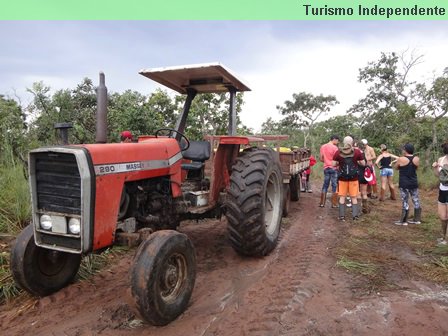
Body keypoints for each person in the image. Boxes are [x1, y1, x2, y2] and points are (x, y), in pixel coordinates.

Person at [332, 136, 365, 221]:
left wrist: (339, 162)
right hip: (354, 178)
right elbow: (363, 163)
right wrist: (356, 161)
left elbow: (333, 164)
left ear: (343, 142)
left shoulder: (338, 152)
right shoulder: (357, 152)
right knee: (354, 197)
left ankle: (342, 216)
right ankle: (355, 216)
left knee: (342, 197)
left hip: (342, 178)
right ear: (352, 142)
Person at [394, 143, 421, 225]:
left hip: (404, 182)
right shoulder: (416, 158)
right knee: (416, 200)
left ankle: (404, 221)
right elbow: (416, 168)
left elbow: (396, 167)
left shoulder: (401, 159)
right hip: (413, 182)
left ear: (405, 150)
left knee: (405, 200)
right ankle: (417, 219)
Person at [432, 142, 448, 245]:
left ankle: (446, 239)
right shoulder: (441, 159)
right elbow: (438, 175)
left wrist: (444, 166)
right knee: (443, 216)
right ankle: (443, 236)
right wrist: (435, 167)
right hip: (443, 190)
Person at [319, 135, 340, 208]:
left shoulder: (323, 146)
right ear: (334, 139)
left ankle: (322, 203)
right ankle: (334, 203)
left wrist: (326, 161)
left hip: (326, 168)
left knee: (325, 185)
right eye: (337, 141)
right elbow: (337, 160)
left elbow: (321, 159)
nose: (337, 142)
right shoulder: (335, 148)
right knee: (334, 185)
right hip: (334, 168)